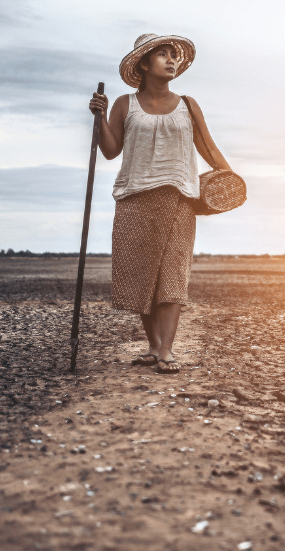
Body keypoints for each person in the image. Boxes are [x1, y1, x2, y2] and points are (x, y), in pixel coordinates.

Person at [88, 33, 232, 374]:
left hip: (179, 198)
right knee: (142, 276)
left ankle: (166, 350)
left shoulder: (188, 104)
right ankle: (153, 346)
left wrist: (229, 177)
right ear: (143, 63)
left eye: (174, 55)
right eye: (163, 55)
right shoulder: (125, 103)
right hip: (134, 198)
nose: (171, 60)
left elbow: (208, 148)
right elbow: (110, 151)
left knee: (171, 275)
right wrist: (99, 117)